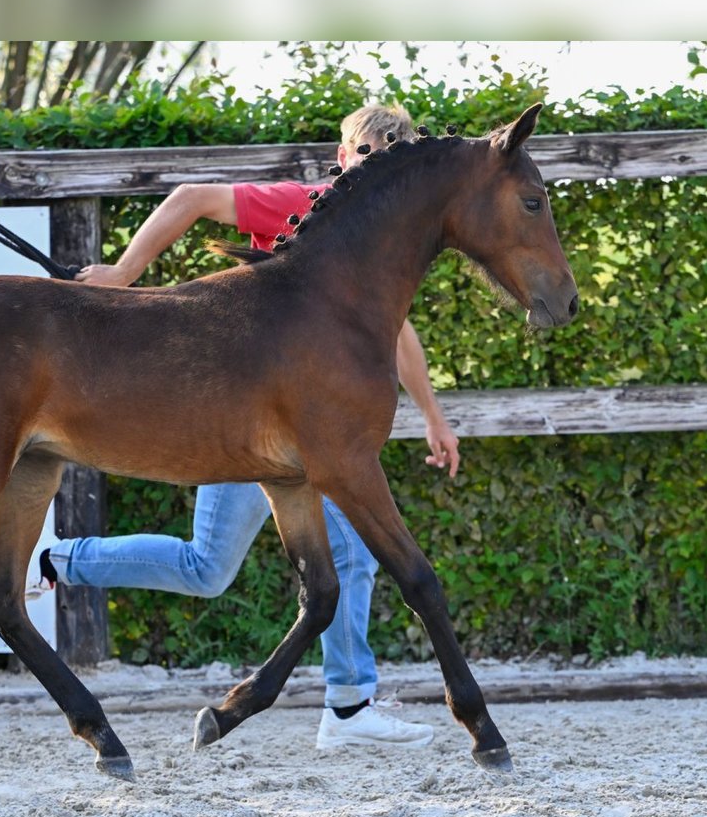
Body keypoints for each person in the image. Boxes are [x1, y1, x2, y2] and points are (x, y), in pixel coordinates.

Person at [39, 104, 461, 751]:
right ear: (343, 158)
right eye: (368, 150)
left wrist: (434, 416)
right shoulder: (304, 205)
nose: (380, 161)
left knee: (352, 557)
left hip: (315, 432)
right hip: (246, 422)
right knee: (207, 568)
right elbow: (192, 198)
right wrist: (125, 274)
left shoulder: (374, 242)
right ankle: (64, 560)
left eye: (393, 150)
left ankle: (349, 706)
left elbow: (398, 334)